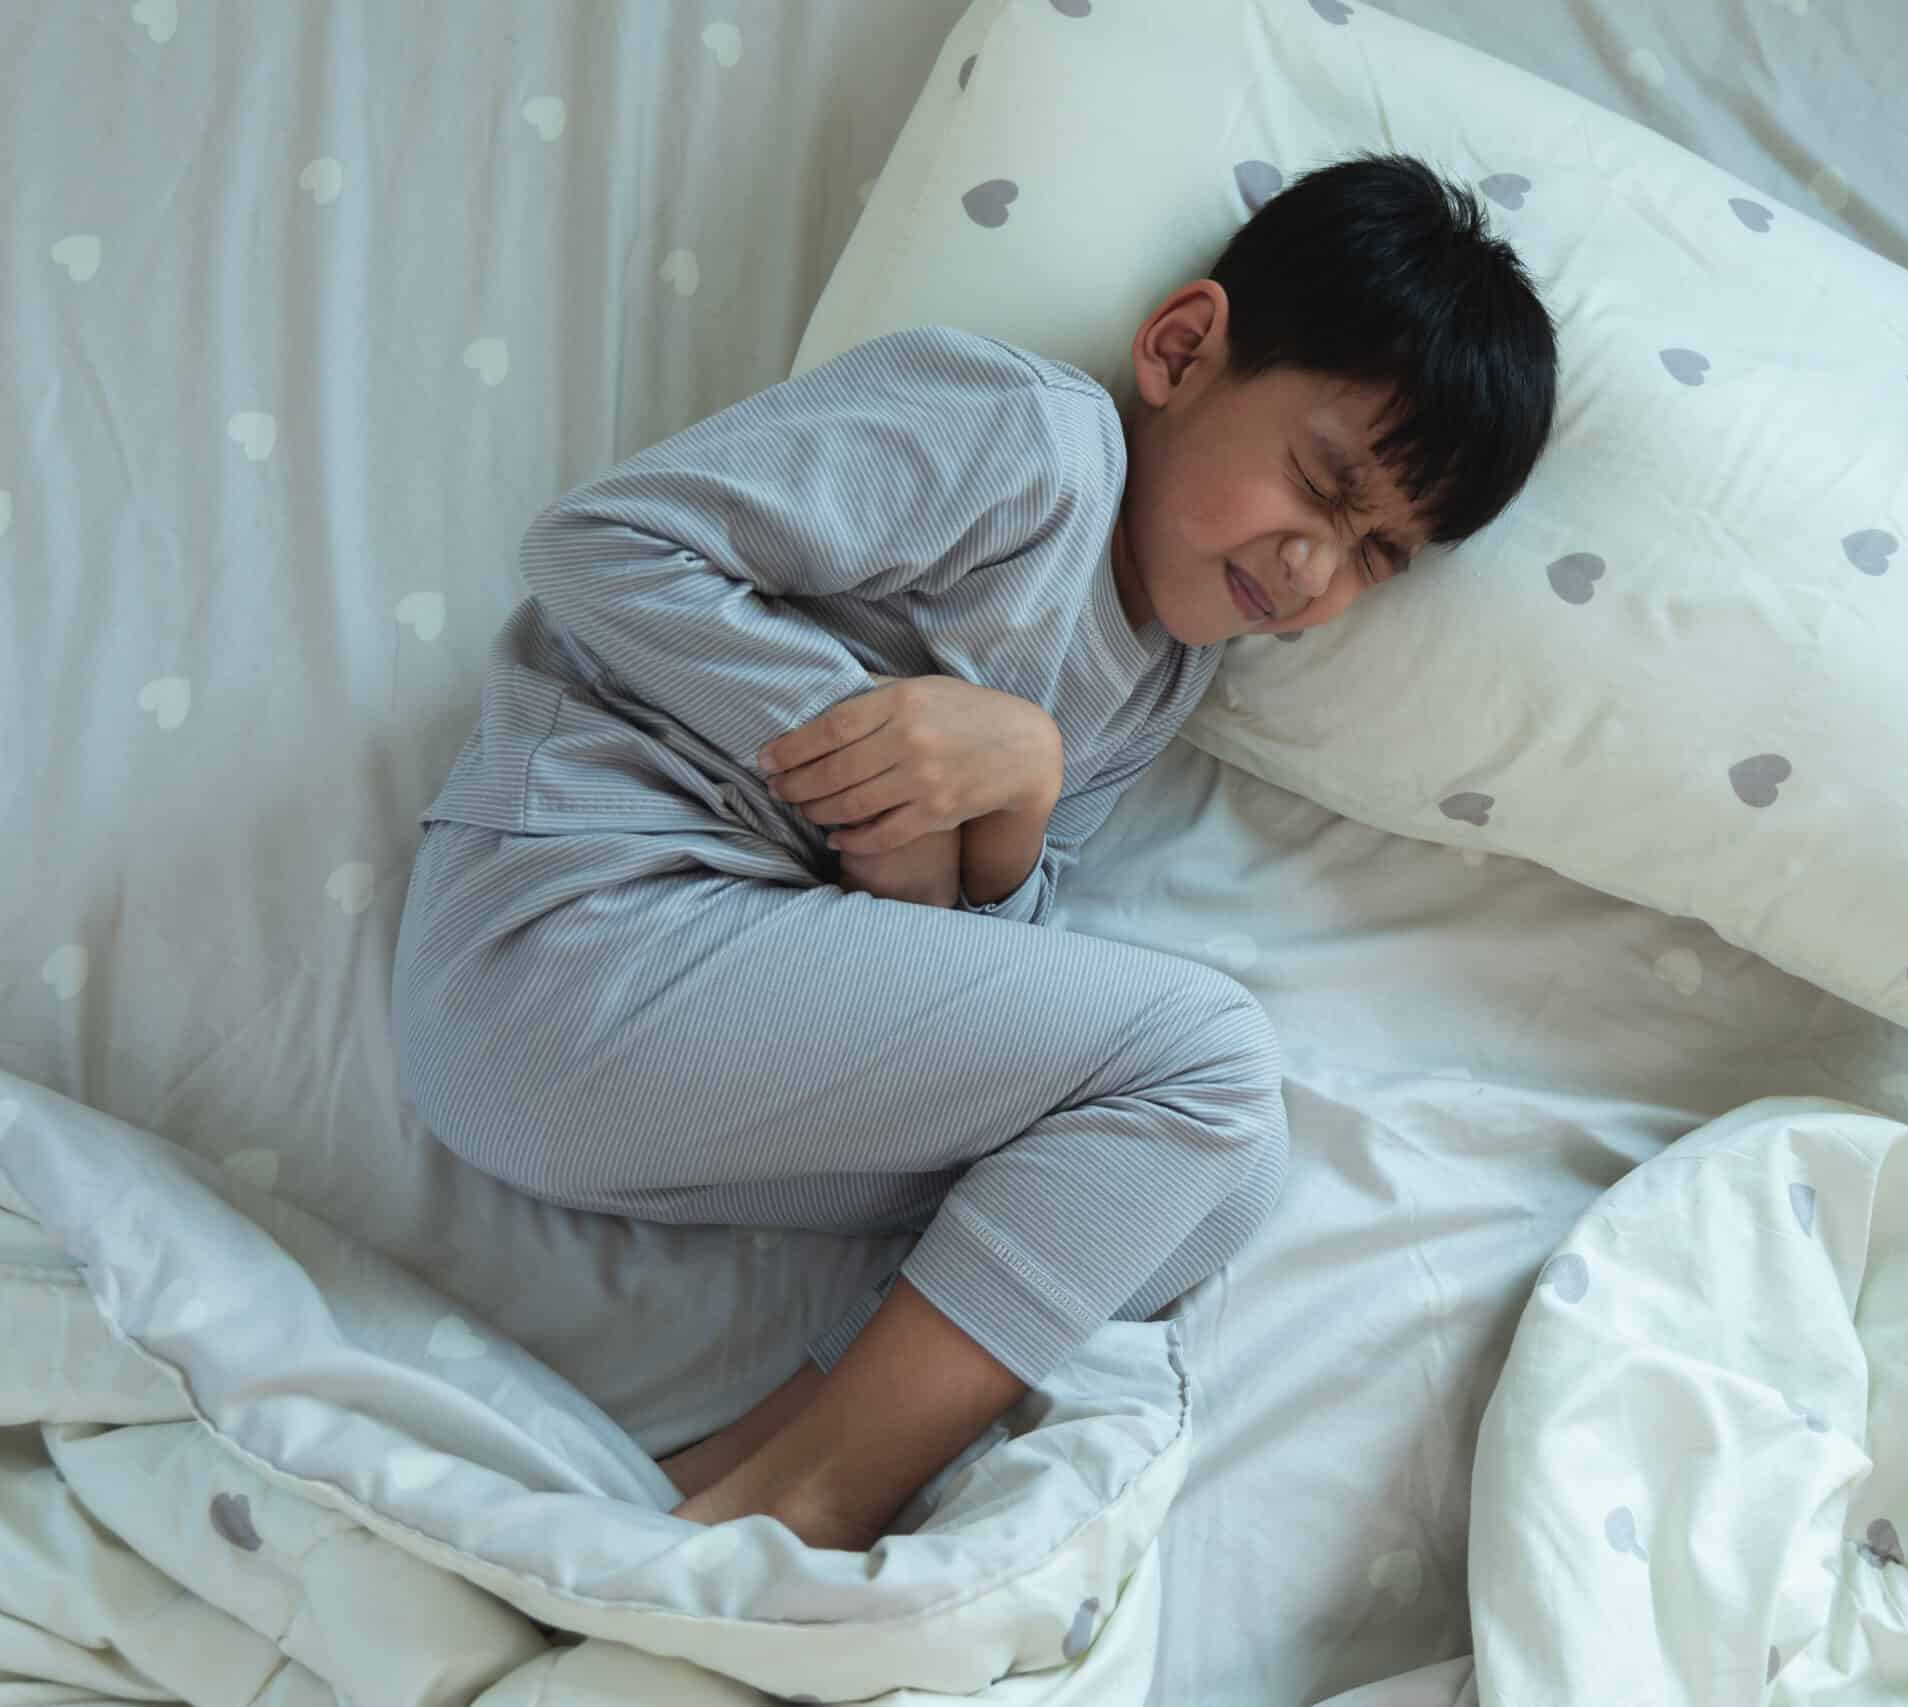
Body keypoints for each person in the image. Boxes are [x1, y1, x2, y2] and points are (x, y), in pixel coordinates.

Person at [390, 152, 1558, 1553]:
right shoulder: (1023, 442)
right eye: (1320, 484)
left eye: (1376, 554)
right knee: (1206, 1059)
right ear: (1185, 350)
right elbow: (604, 546)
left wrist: (1013, 793)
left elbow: (943, 955)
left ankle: (749, 1461)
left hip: (681, 1042)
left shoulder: (1166, 674)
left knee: (1218, 1182)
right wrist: (879, 739)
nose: (1315, 569)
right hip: (565, 945)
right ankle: (819, 1503)